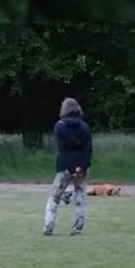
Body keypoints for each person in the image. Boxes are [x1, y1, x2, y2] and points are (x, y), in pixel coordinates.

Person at [44, 97, 92, 237]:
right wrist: (81, 167)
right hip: (82, 168)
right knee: (80, 198)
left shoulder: (60, 126)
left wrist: (71, 168)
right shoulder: (85, 127)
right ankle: (77, 228)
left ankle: (49, 227)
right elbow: (88, 150)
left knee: (54, 197)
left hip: (65, 167)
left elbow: (62, 150)